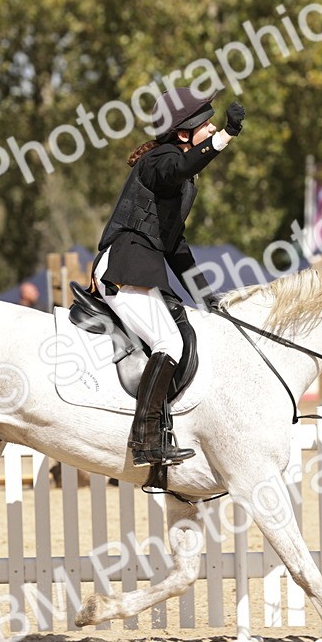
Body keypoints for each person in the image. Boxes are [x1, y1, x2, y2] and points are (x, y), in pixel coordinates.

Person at [93, 87, 244, 467]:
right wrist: (226, 136)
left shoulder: (178, 180)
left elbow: (175, 245)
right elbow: (182, 166)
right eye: (205, 125)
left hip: (138, 266)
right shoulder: (161, 162)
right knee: (169, 343)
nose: (210, 130)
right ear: (182, 134)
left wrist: (206, 294)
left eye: (213, 125)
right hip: (125, 265)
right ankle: (144, 441)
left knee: (177, 334)